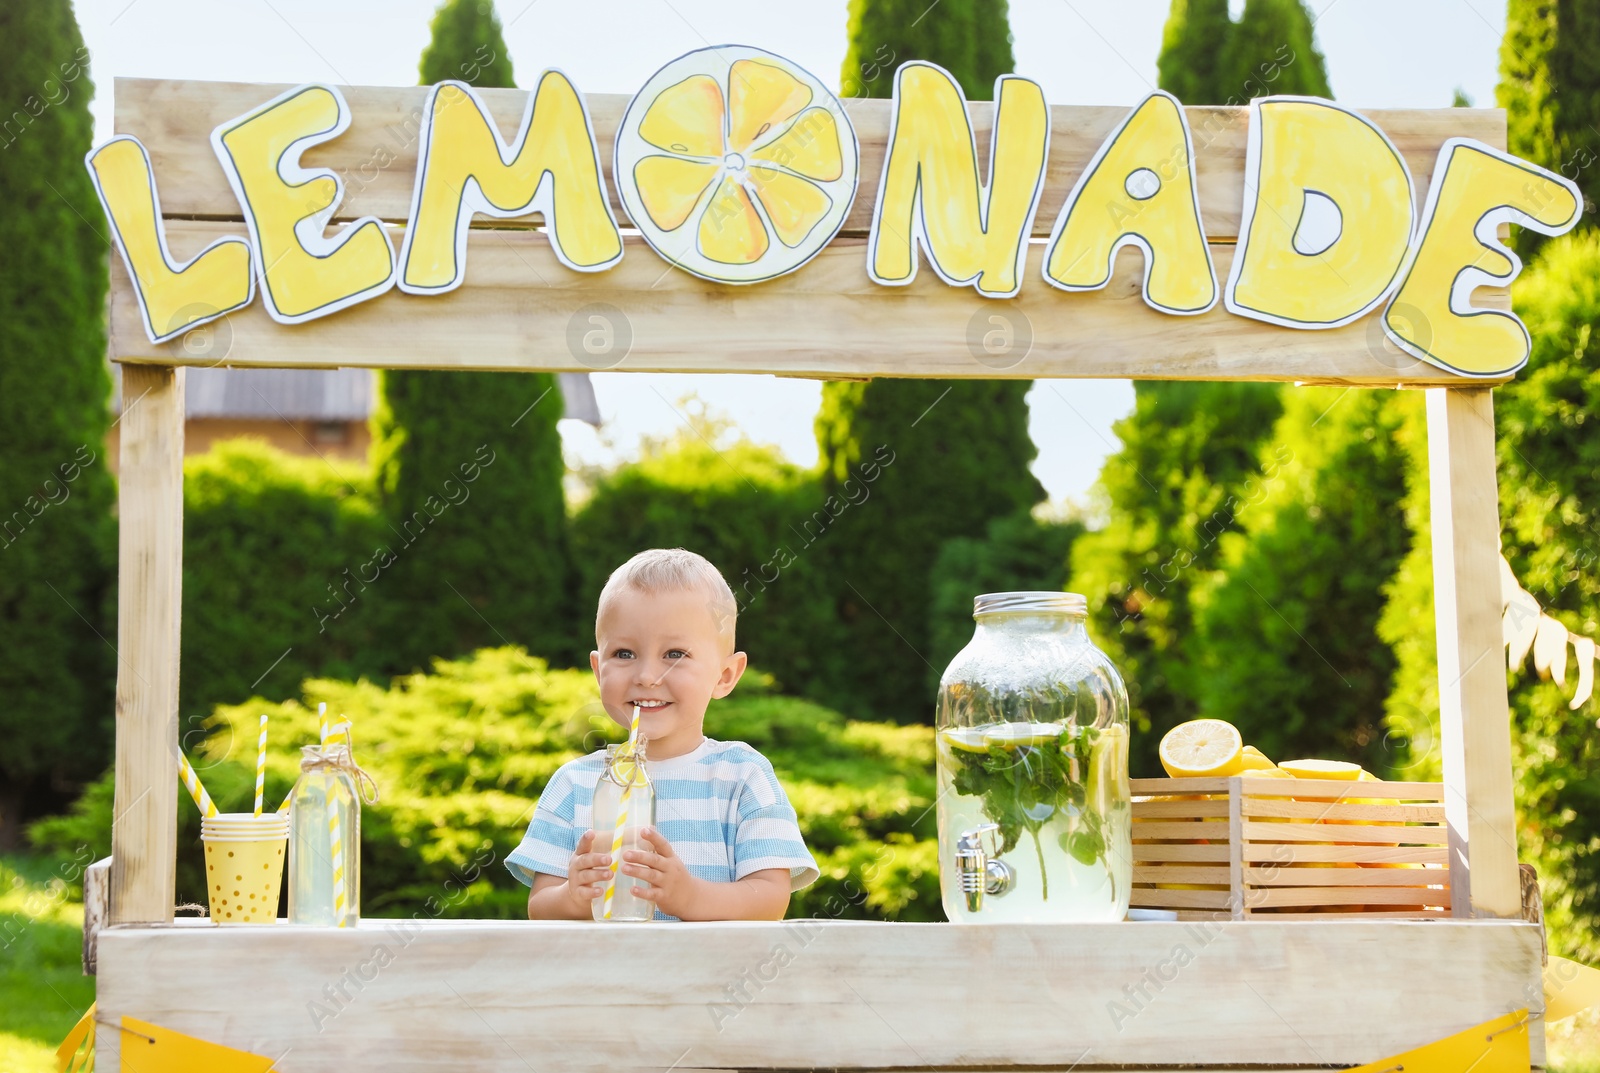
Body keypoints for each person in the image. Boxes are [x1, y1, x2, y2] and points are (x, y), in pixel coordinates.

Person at [506, 548, 818, 920]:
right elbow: (540, 908)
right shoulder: (574, 784)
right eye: (624, 654)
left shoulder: (743, 776)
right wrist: (573, 897)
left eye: (674, 654)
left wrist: (689, 897)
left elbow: (769, 901)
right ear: (597, 668)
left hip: (713, 979)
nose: (647, 676)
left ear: (725, 676)